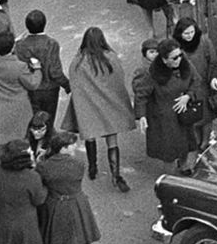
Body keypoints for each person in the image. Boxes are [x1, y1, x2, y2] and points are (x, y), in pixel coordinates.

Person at [63, 27, 136, 194]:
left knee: (90, 136)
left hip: (88, 106)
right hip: (108, 105)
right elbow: (118, 81)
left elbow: (76, 85)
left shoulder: (78, 61)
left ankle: (93, 168)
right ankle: (116, 175)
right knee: (112, 140)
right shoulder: (111, 58)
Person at [38, 130, 101, 244]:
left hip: (57, 205)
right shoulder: (79, 164)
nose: (75, 146)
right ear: (64, 148)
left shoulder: (44, 166)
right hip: (77, 204)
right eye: (72, 144)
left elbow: (42, 179)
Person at [137, 38, 206, 175]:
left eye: (180, 55)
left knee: (186, 142)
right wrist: (142, 116)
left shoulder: (185, 64)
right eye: (174, 58)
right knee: (168, 149)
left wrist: (188, 96)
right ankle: (169, 178)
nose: (179, 59)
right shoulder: (151, 73)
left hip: (183, 112)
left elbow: (196, 80)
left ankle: (184, 165)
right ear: (164, 60)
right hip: (164, 116)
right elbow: (141, 95)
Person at [0, 31, 42, 151]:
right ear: (12, 47)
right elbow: (32, 84)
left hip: (0, 105)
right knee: (20, 140)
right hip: (19, 106)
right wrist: (37, 69)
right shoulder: (20, 66)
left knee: (3, 142)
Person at [15, 10, 69, 125]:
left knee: (32, 124)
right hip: (49, 90)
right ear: (45, 24)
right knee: (47, 123)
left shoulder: (19, 45)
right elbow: (55, 72)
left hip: (29, 89)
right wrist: (67, 85)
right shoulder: (51, 43)